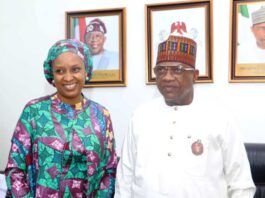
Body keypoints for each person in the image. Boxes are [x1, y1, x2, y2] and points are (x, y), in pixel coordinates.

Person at [115, 34, 256, 197]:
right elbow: (124, 180)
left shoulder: (220, 118)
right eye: (160, 70)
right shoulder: (140, 116)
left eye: (177, 70)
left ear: (195, 75)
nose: (167, 77)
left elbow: (241, 185)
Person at [5, 39, 117, 197]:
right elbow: (15, 168)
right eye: (60, 71)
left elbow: (109, 171)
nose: (68, 77)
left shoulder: (101, 115)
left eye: (75, 69)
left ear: (87, 71)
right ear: (51, 74)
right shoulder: (34, 112)